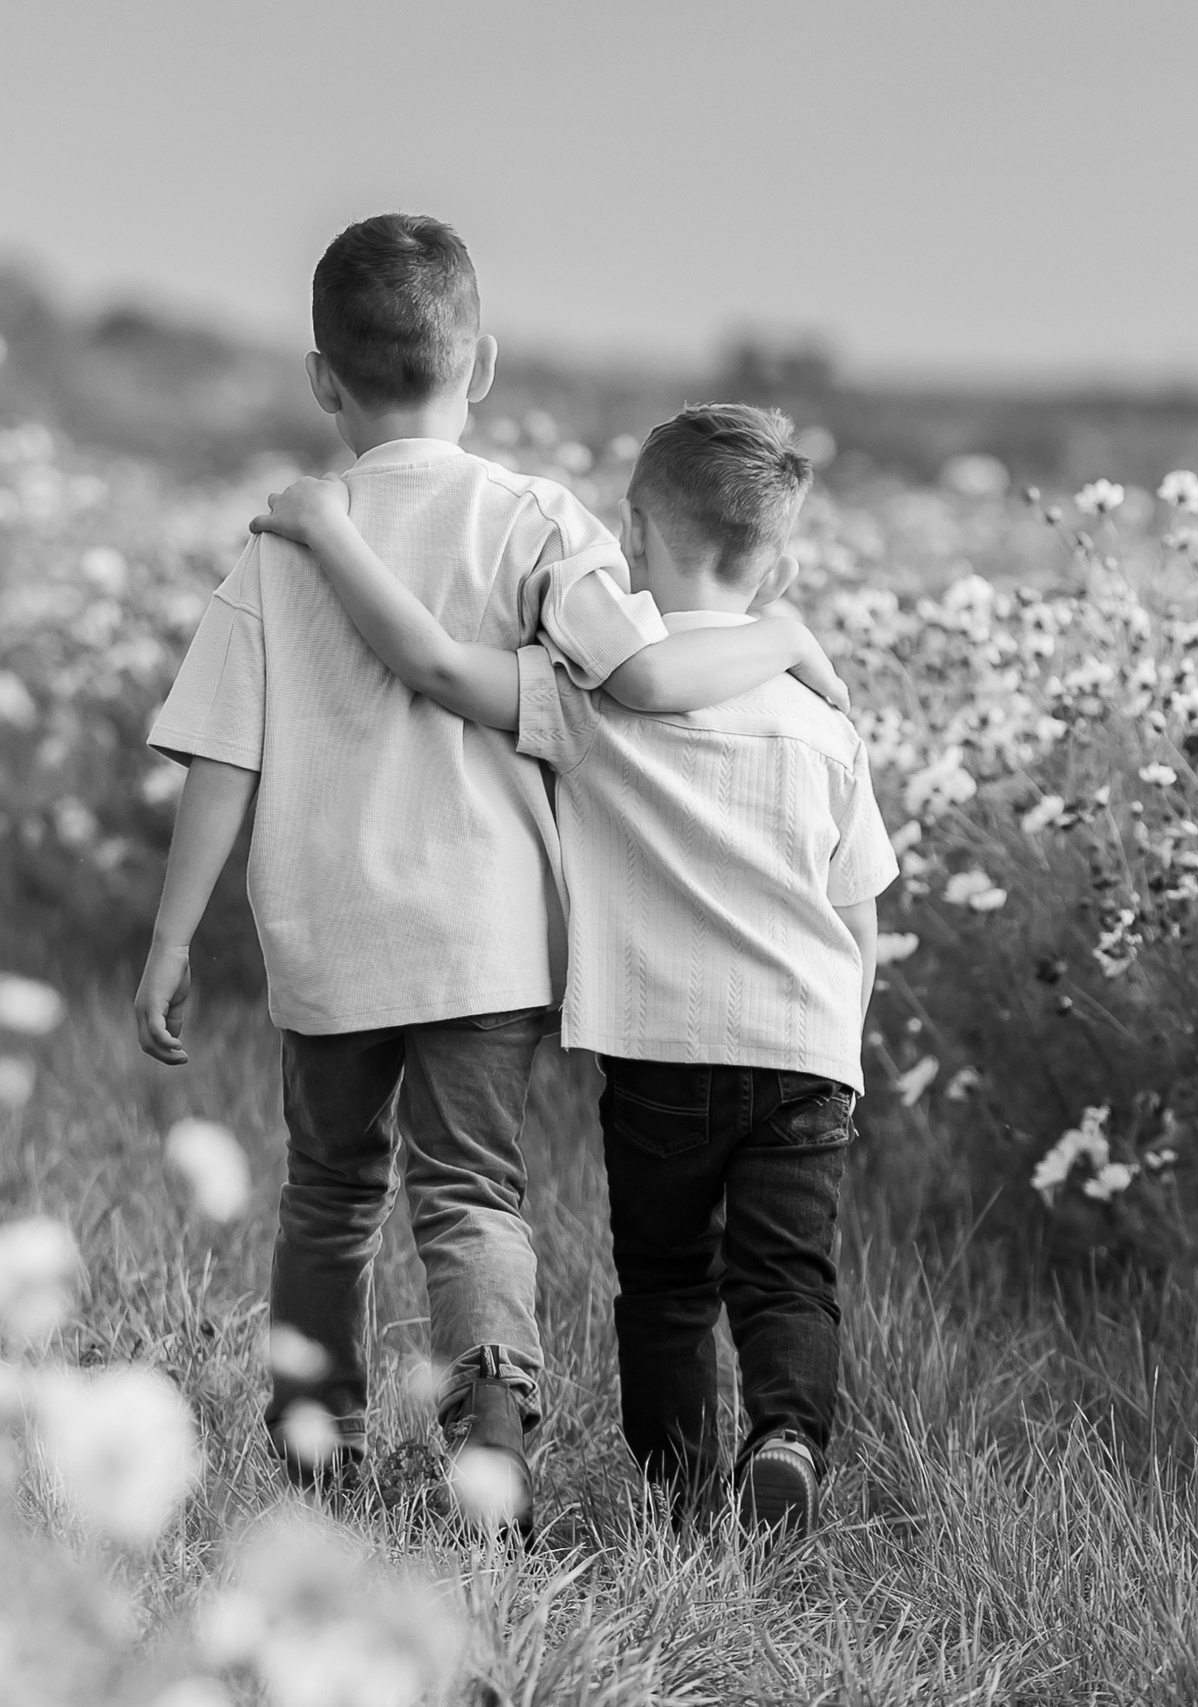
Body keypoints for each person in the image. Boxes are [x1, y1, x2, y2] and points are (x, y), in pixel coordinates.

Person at [135, 215, 845, 1532]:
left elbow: (221, 755)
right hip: (487, 936)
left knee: (332, 1190)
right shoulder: (537, 520)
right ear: (487, 364)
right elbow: (646, 672)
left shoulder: (283, 540)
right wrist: (784, 644)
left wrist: (172, 937)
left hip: (327, 929)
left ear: (322, 378)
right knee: (471, 1188)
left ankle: (316, 1437)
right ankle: (492, 1428)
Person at [250, 402, 895, 1534]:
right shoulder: (819, 718)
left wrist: (327, 532)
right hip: (804, 1051)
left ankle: (682, 1490)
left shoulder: (588, 698)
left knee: (665, 1284)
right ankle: (786, 1433)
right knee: (789, 1275)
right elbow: (857, 909)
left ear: (633, 538)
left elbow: (440, 667)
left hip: (660, 1051)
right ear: (778, 564)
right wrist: (844, 1051)